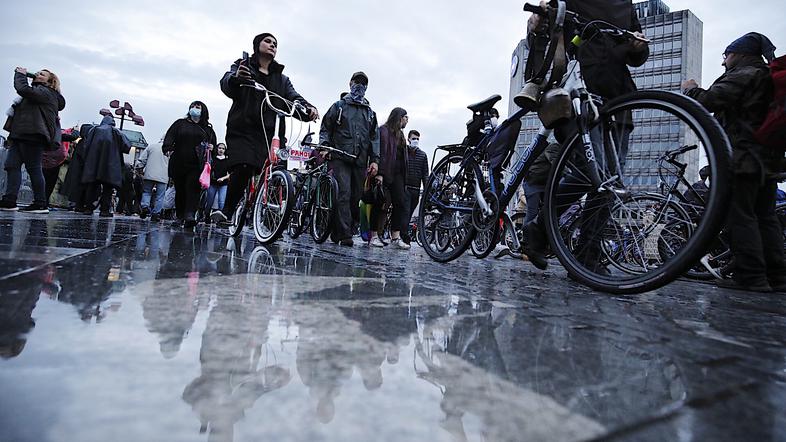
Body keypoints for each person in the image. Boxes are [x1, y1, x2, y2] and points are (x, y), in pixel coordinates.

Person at [521, 0, 649, 271]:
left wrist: (639, 46)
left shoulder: (626, 6)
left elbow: (637, 55)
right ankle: (541, 227)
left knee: (611, 181)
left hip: (619, 96)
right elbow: (543, 23)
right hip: (579, 91)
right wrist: (535, 22)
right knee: (590, 173)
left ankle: (587, 253)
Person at [682, 32, 786, 293]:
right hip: (767, 161)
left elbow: (707, 101)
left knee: (741, 217)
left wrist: (690, 89)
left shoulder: (746, 72)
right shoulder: (765, 75)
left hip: (743, 158)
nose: (724, 61)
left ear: (738, 53)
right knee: (766, 217)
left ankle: (751, 277)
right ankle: (777, 277)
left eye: (726, 55)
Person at [214, 32, 318, 226]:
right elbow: (226, 82)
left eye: (275, 44)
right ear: (257, 45)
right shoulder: (243, 65)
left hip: (271, 132)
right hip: (243, 128)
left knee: (277, 168)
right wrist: (236, 78)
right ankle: (227, 211)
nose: (272, 45)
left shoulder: (282, 79)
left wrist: (308, 108)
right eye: (267, 41)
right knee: (244, 166)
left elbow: (293, 97)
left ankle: (271, 220)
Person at [319, 71, 380, 246]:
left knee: (356, 198)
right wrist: (324, 147)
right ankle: (345, 234)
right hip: (340, 157)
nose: (360, 85)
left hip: (360, 161)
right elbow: (325, 128)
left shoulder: (370, 113)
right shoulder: (338, 106)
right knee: (343, 194)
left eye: (363, 83)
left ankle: (339, 230)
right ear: (350, 83)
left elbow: (375, 139)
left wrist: (375, 160)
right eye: (357, 81)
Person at [1, 68, 65, 213]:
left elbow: (23, 89)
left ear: (50, 82)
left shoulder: (47, 93)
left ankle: (40, 203)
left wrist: (20, 75)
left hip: (34, 134)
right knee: (12, 165)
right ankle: (10, 200)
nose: (37, 74)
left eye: (42, 74)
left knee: (34, 168)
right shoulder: (38, 92)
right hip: (21, 134)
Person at [162, 101, 217, 230]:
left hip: (197, 164)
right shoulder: (180, 124)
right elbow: (170, 137)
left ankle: (190, 214)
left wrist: (212, 148)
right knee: (180, 189)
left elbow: (213, 145)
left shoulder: (208, 129)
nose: (194, 109)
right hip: (179, 162)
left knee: (193, 189)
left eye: (197, 107)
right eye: (192, 106)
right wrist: (168, 148)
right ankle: (180, 214)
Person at [370, 108, 410, 249]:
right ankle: (374, 235)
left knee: (400, 202)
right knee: (379, 202)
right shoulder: (383, 131)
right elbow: (379, 152)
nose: (407, 120)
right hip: (385, 172)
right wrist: (379, 173)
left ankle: (395, 237)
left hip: (398, 175)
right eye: (405, 117)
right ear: (398, 117)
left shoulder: (401, 135)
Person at [79, 115, 132, 216]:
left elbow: (86, 146)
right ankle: (104, 210)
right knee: (108, 188)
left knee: (92, 186)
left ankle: (88, 208)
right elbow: (127, 146)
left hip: (94, 164)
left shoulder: (94, 130)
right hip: (110, 165)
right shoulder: (115, 131)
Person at [402, 130, 429, 245]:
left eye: (417, 139)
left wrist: (426, 188)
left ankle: (403, 234)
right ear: (408, 139)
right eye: (413, 139)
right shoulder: (404, 153)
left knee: (410, 212)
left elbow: (425, 174)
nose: (416, 141)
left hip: (416, 189)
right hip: (405, 187)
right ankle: (404, 235)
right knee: (406, 212)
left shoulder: (422, 155)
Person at [42, 127, 78, 205]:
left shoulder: (49, 133)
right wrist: (76, 132)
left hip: (52, 162)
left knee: (54, 184)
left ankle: (48, 201)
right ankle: (51, 202)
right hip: (59, 163)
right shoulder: (61, 135)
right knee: (57, 184)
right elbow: (72, 137)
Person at [136, 140, 170, 223]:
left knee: (147, 192)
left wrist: (139, 167)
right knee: (160, 196)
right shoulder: (170, 150)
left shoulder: (152, 146)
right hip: (163, 176)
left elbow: (142, 159)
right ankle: (156, 214)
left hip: (149, 174)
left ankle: (145, 207)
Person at [206, 142, 230, 218]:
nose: (221, 150)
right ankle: (206, 216)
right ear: (217, 148)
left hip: (223, 184)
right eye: (220, 148)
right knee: (209, 201)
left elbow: (230, 173)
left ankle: (220, 219)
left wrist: (223, 178)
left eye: (223, 148)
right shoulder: (212, 158)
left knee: (222, 202)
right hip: (213, 182)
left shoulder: (227, 160)